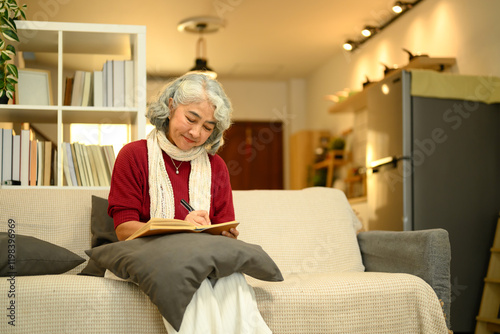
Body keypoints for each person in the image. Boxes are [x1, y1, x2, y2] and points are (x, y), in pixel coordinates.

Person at [107, 73, 272, 333]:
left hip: (198, 258)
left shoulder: (216, 167)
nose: (196, 132)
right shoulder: (133, 155)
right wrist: (183, 227)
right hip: (151, 257)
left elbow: (223, 232)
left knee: (233, 279)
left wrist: (224, 234)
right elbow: (123, 229)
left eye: (208, 127)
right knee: (194, 281)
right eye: (191, 119)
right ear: (171, 107)